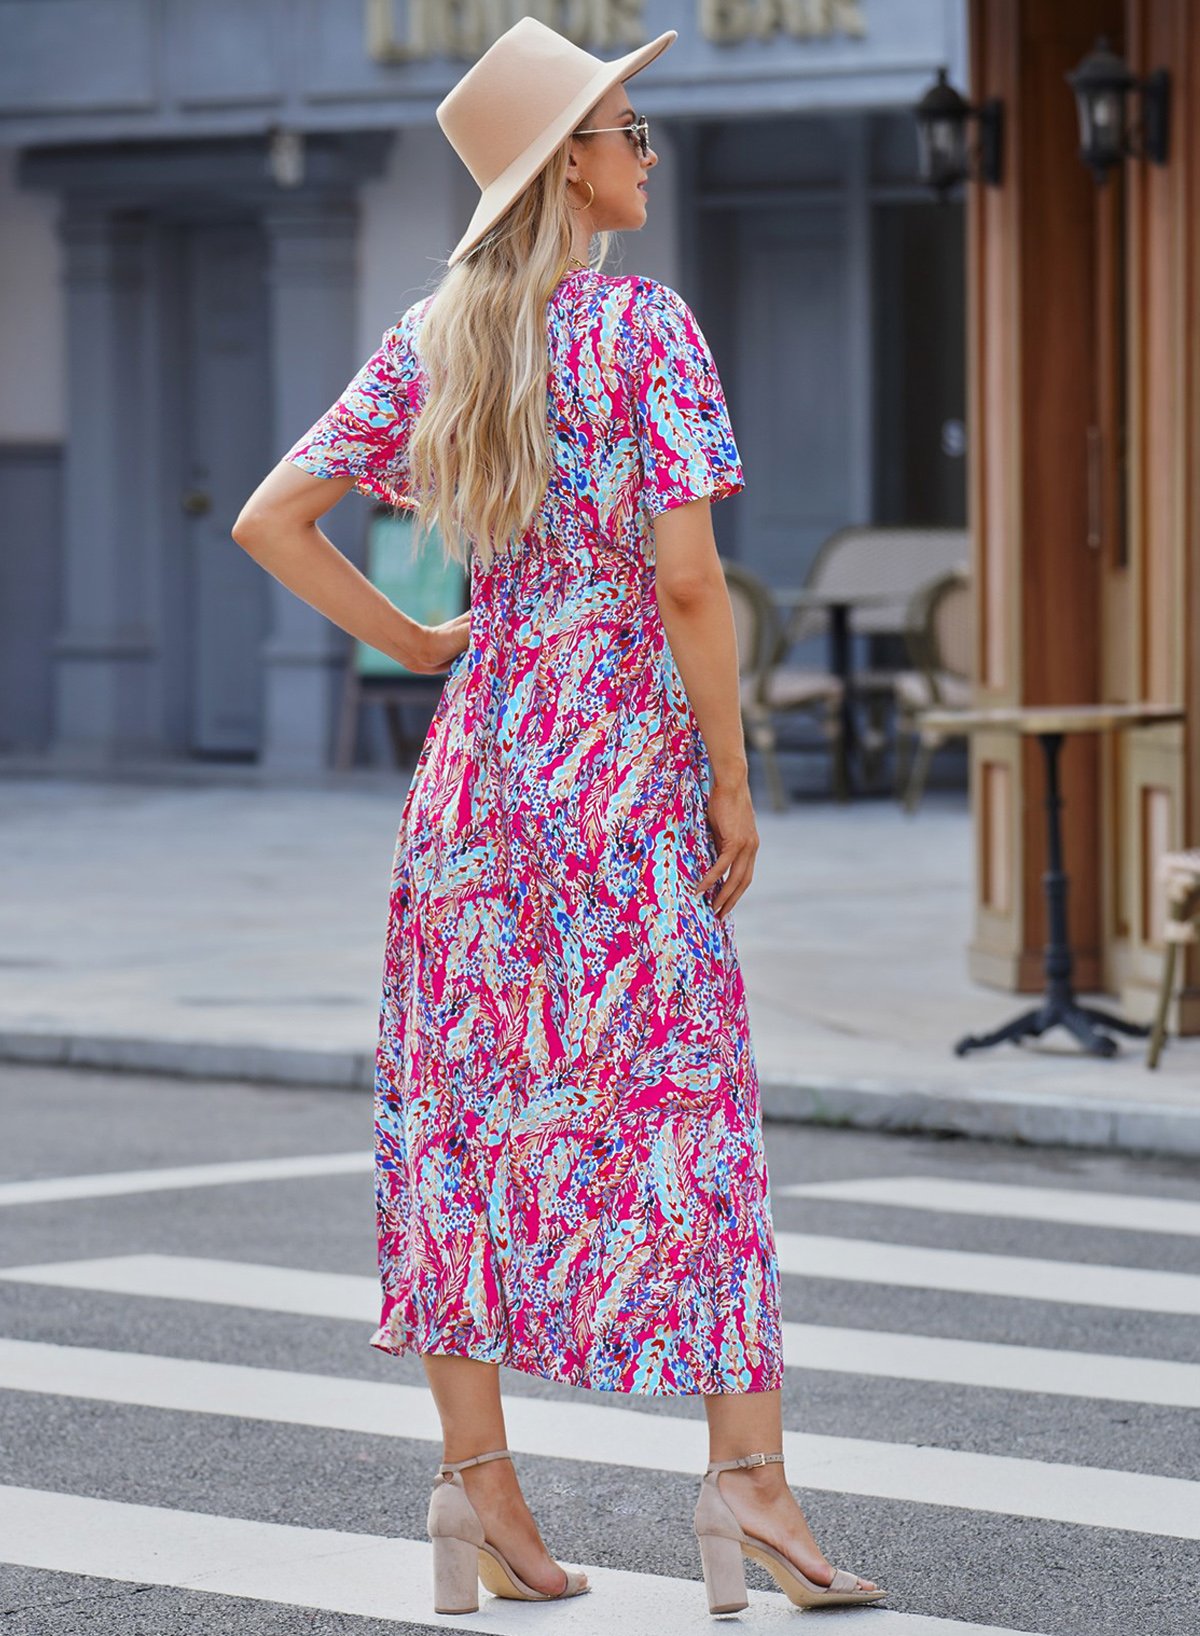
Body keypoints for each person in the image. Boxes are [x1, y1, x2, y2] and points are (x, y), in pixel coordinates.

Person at [232, 13, 885, 1621]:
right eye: (624, 131)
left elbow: (273, 519)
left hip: (476, 779)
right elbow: (688, 583)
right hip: (614, 779)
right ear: (566, 170)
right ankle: (747, 1480)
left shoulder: (437, 336)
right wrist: (731, 775)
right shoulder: (645, 326)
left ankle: (483, 1495)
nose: (644, 151)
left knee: (463, 1122)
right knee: (687, 1107)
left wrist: (421, 644)